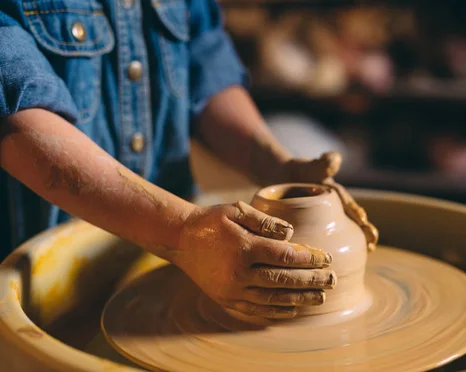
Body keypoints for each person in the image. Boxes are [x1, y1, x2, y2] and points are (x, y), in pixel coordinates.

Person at [0, 0, 376, 320]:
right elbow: (12, 112)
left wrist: (279, 168)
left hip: (175, 266)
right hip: (36, 277)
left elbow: (205, 64)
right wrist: (183, 233)